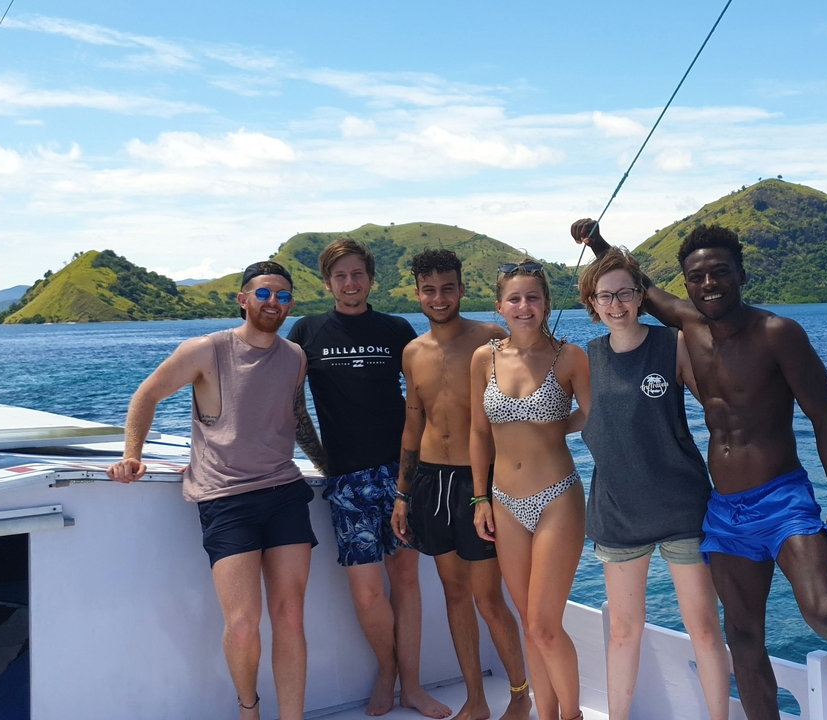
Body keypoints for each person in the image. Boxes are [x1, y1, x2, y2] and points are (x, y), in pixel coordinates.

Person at [572, 219, 827, 720]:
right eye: (697, 277)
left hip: (782, 497)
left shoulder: (778, 334)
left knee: (824, 611)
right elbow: (637, 288)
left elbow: (826, 419)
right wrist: (597, 242)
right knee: (742, 637)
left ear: (741, 274)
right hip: (724, 509)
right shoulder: (689, 327)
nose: (709, 284)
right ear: (687, 283)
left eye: (720, 272)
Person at [107, 261, 326, 720]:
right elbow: (147, 395)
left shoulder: (294, 356)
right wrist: (132, 454)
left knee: (290, 616)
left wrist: (325, 465)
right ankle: (249, 709)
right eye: (263, 294)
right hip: (226, 498)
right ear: (243, 300)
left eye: (283, 296)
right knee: (243, 624)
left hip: (285, 492)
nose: (273, 302)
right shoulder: (206, 350)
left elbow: (297, 414)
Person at [286, 239, 450, 719]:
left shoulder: (395, 329)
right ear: (327, 283)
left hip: (402, 474)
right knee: (366, 589)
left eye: (358, 274)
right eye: (340, 276)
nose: (350, 283)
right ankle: (387, 671)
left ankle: (413, 687)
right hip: (346, 480)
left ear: (371, 279)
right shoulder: (307, 331)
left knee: (406, 581)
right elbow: (292, 406)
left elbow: (426, 398)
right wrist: (323, 463)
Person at [576, 248, 732, 720]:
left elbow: (720, 410)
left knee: (704, 629)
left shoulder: (672, 344)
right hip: (618, 513)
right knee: (624, 630)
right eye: (605, 296)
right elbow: (568, 417)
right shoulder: (585, 359)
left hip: (683, 508)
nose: (616, 304)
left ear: (640, 296)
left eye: (625, 293)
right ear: (592, 302)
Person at [389, 249, 533, 720]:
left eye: (447, 288)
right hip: (430, 482)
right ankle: (476, 699)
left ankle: (520, 694)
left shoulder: (490, 338)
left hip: (479, 481)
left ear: (462, 289)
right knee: (455, 594)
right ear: (417, 294)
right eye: (429, 290)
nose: (439, 298)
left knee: (488, 598)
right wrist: (402, 495)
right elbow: (413, 426)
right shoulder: (412, 353)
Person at [469, 261, 592, 720]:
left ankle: (573, 716)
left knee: (544, 625)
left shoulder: (570, 357)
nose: (524, 307)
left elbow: (593, 414)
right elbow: (478, 432)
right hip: (503, 501)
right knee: (528, 624)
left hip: (557, 497)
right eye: (515, 299)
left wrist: (558, 426)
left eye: (533, 298)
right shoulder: (484, 359)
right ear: (499, 306)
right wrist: (480, 498)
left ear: (546, 304)